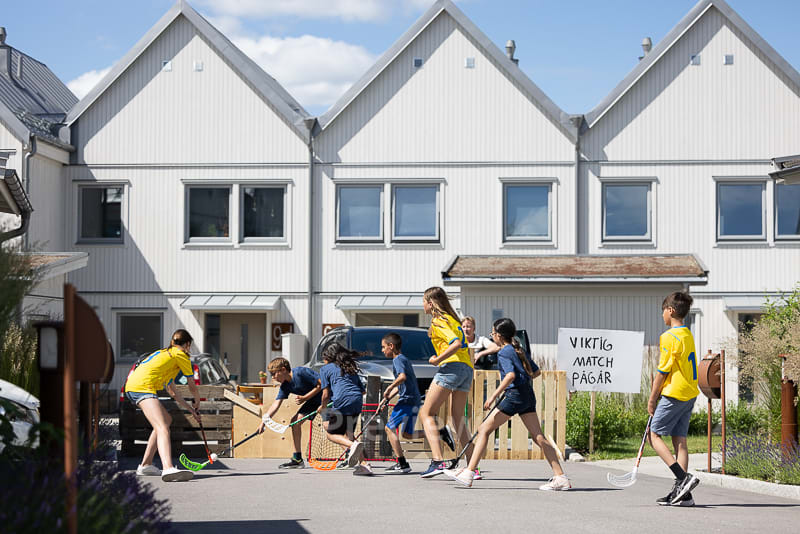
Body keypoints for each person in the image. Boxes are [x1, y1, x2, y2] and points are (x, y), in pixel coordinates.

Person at [444, 318, 570, 490]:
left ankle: (469, 473)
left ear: (500, 336)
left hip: (513, 396)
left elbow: (510, 375)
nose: (492, 335)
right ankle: (560, 477)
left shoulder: (504, 352)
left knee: (484, 430)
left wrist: (493, 396)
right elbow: (536, 372)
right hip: (526, 395)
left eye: (493, 333)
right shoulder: (518, 349)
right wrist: (521, 377)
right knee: (538, 436)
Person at [124, 329, 201, 482]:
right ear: (187, 344)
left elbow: (172, 391)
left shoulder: (166, 355)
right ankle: (168, 468)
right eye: (189, 346)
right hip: (142, 388)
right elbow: (192, 385)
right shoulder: (181, 355)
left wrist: (190, 408)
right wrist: (197, 399)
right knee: (162, 426)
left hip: (135, 386)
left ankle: (146, 465)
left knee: (165, 421)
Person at [648, 291, 700, 506]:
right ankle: (684, 494)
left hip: (674, 394)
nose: (662, 316)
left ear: (670, 311)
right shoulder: (687, 334)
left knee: (654, 435)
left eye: (663, 311)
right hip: (690, 393)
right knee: (680, 440)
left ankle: (682, 477)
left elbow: (663, 371)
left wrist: (652, 399)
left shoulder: (669, 337)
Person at [418, 286, 467, 478]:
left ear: (430, 303)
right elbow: (461, 343)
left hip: (451, 367)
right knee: (458, 419)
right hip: (466, 367)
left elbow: (454, 343)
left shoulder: (438, 321)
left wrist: (438, 359)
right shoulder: (452, 319)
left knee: (426, 413)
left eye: (423, 301)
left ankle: (438, 461)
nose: (422, 305)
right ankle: (472, 467)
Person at [257, 357, 322, 469]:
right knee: (295, 422)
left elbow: (321, 384)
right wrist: (264, 422)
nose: (273, 377)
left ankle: (351, 453)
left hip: (326, 397)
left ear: (283, 370)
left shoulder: (301, 372)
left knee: (333, 428)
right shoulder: (285, 386)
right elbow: (276, 404)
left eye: (274, 374)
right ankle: (297, 459)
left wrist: (305, 398)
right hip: (313, 402)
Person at [318, 343, 371, 475]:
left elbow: (325, 395)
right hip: (357, 401)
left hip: (342, 402)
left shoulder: (325, 369)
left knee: (331, 434)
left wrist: (323, 409)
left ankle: (352, 447)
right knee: (350, 435)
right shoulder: (349, 368)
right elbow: (362, 391)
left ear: (328, 356)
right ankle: (365, 465)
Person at [380, 332, 425, 474]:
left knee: (389, 428)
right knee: (407, 434)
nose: (382, 350)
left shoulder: (397, 360)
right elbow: (402, 384)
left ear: (391, 346)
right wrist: (386, 398)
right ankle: (440, 432)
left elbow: (402, 377)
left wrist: (389, 386)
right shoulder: (404, 359)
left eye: (383, 347)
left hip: (407, 401)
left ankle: (402, 463)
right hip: (414, 399)